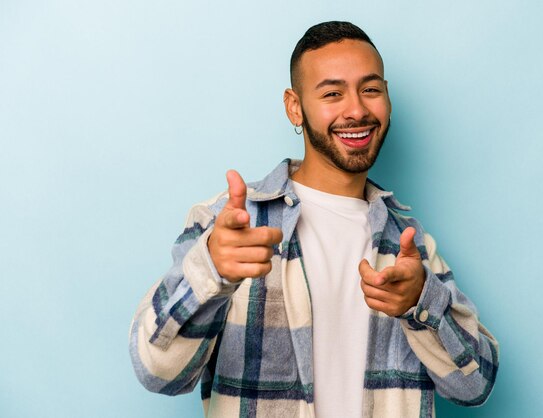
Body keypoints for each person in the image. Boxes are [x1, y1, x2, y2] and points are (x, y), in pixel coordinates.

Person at [129, 21, 499, 418]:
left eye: (370, 90)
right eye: (332, 93)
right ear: (295, 106)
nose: (356, 110)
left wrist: (421, 302)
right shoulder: (230, 224)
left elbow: (475, 386)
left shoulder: (409, 243)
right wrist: (211, 273)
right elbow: (156, 372)